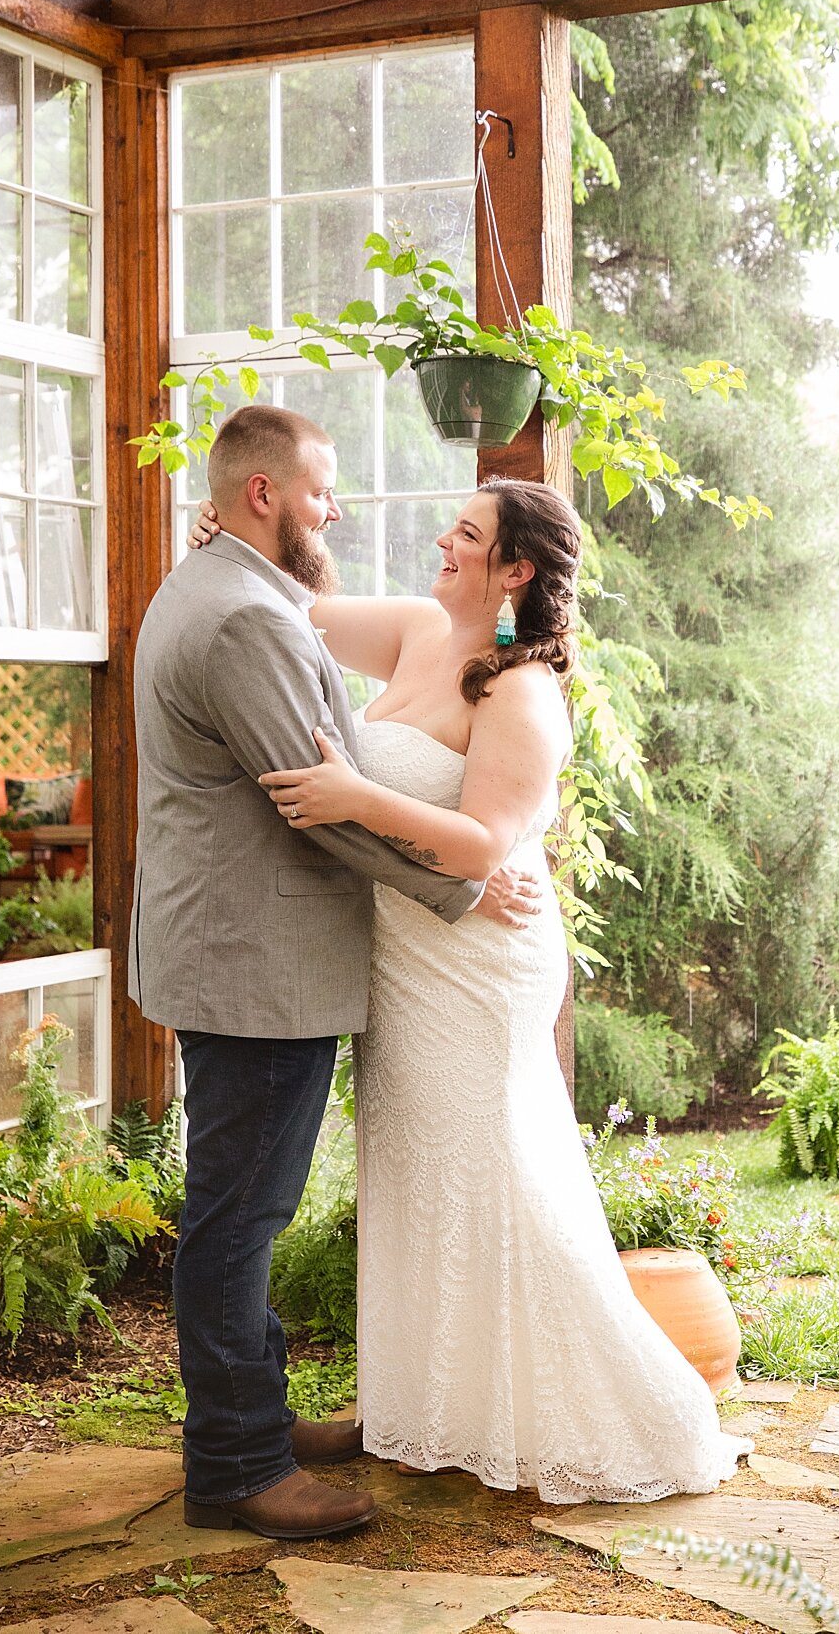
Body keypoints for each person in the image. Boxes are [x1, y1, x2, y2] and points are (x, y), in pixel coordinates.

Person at [188, 465, 743, 1503]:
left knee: (491, 1177)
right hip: (403, 957)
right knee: (417, 1178)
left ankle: (619, 1409)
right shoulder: (411, 629)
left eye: (465, 534)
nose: (442, 543)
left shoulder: (523, 688)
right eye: (447, 527)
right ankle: (434, 1407)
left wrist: (357, 794)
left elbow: (487, 841)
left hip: (477, 965)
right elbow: (289, 609)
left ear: (516, 569)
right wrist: (234, 535)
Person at [131, 403, 543, 1542]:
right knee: (239, 1220)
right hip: (257, 967)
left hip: (232, 957)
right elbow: (311, 805)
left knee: (239, 1208)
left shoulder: (216, 586)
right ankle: (235, 1465)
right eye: (320, 489)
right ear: (261, 495)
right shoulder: (243, 620)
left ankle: (253, 1417)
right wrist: (459, 887)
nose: (338, 509)